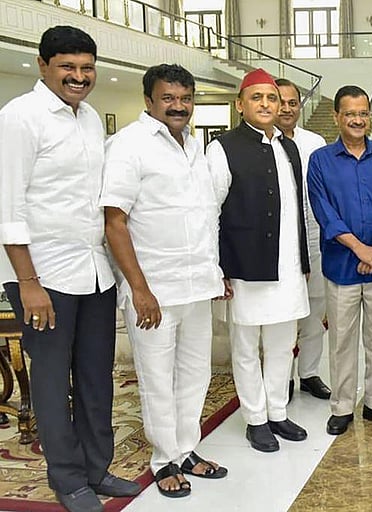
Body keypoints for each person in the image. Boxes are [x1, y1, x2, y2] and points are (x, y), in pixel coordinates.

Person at [0, 26, 140, 512]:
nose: (79, 77)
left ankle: (97, 468)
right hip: (46, 276)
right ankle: (67, 478)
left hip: (94, 270)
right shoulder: (20, 118)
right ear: (43, 66)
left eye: (86, 68)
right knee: (52, 380)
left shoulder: (88, 121)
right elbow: (9, 206)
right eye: (67, 67)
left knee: (96, 375)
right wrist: (28, 282)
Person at [102, 64, 229, 498]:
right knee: (156, 377)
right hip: (154, 291)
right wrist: (139, 289)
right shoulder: (129, 146)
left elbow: (204, 217)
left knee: (195, 375)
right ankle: (164, 460)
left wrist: (216, 273)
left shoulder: (194, 147)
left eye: (185, 98)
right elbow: (115, 221)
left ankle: (187, 450)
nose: (178, 106)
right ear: (149, 101)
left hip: (196, 287)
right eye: (168, 98)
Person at [207, 68, 310, 453]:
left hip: (286, 266)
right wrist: (218, 267)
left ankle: (278, 412)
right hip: (245, 265)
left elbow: (295, 210)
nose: (267, 105)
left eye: (273, 98)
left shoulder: (289, 146)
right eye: (258, 98)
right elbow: (210, 210)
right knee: (247, 346)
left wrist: (301, 260)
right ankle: (255, 419)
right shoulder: (223, 147)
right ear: (240, 104)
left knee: (283, 344)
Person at [307, 85, 372, 435]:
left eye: (363, 113)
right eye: (350, 113)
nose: (358, 119)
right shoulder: (320, 161)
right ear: (337, 117)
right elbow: (325, 212)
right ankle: (343, 406)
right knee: (342, 341)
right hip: (341, 267)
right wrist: (360, 250)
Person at [274, 78, 332, 401]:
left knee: (315, 307)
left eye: (292, 102)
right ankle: (282, 378)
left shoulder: (315, 142)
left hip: (314, 236)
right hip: (281, 242)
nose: (286, 108)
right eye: (280, 101)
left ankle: (309, 372)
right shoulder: (266, 142)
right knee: (283, 314)